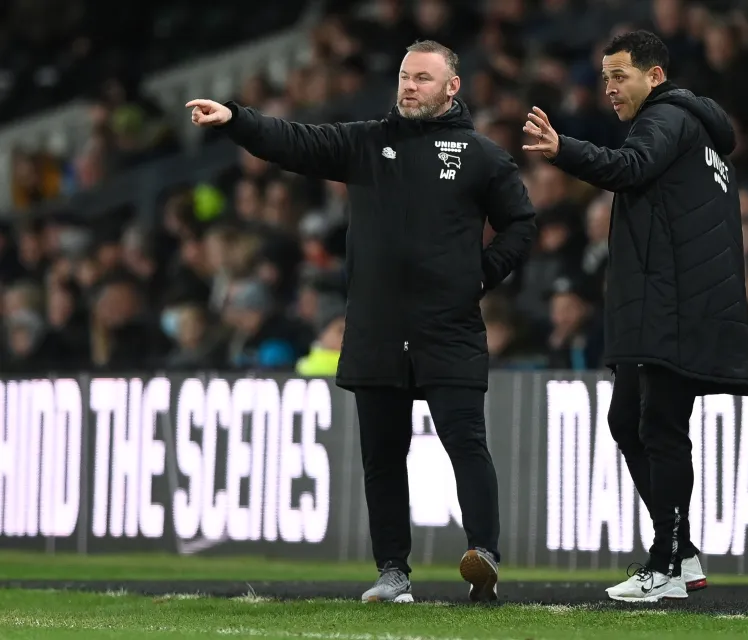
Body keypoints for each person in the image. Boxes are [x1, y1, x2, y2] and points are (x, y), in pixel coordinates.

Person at [187, 40, 537, 604]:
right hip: (376, 327)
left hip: (447, 327)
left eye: (423, 78)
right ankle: (393, 572)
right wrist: (237, 120)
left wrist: (480, 276)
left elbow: (521, 224)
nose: (409, 86)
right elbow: (296, 143)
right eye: (404, 75)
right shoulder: (367, 142)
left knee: (465, 442)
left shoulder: (482, 156)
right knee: (382, 455)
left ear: (452, 87)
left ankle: (484, 557)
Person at [522, 30, 748, 602]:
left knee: (661, 429)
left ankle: (668, 562)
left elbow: (629, 167)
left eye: (620, 75)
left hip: (675, 304)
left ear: (655, 76)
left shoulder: (666, 118)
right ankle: (682, 552)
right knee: (628, 419)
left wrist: (564, 150)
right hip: (673, 302)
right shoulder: (702, 137)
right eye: (605, 77)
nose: (609, 88)